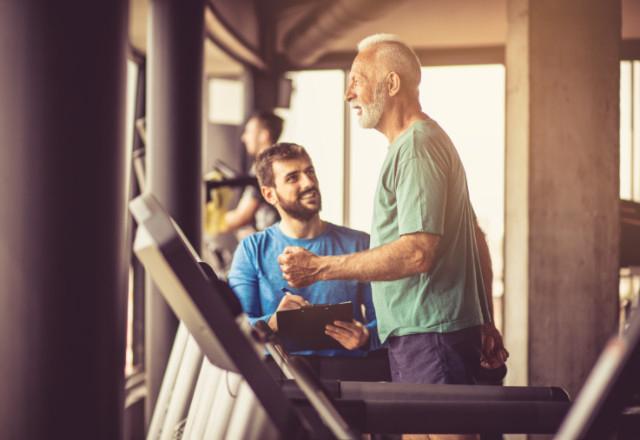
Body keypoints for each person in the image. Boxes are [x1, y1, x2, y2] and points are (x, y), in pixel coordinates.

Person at [277, 34, 507, 437]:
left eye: (358, 79)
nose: (349, 93)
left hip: (431, 336)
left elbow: (418, 254)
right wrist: (484, 318)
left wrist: (318, 268)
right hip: (428, 335)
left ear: (392, 84)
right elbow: (476, 237)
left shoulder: (417, 147)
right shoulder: (420, 145)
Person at [227, 143, 386, 381]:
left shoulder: (360, 244)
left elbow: (387, 320)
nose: (308, 183)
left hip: (349, 375)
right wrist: (273, 322)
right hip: (281, 377)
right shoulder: (252, 250)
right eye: (293, 177)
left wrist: (366, 336)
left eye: (310, 172)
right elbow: (236, 329)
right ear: (270, 194)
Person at [224, 111, 284, 234]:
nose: (243, 138)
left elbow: (241, 217)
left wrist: (204, 221)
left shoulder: (265, 167)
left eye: (248, 132)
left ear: (263, 135)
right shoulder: (272, 162)